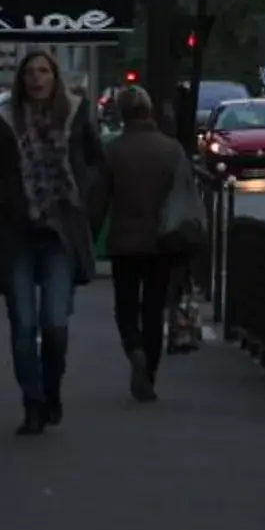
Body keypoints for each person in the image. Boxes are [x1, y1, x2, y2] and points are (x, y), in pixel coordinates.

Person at [0, 48, 104, 434]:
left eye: (44, 72)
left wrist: (85, 202)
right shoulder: (3, 119)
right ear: (21, 79)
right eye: (31, 72)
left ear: (55, 77)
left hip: (60, 232)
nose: (37, 79)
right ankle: (32, 402)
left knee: (55, 322)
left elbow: (97, 163)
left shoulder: (76, 114)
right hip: (17, 234)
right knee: (24, 324)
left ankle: (51, 389)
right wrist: (3, 199)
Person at [94, 86, 188, 401]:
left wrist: (88, 237)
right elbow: (185, 198)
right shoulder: (171, 149)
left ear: (121, 114)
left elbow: (99, 201)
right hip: (162, 241)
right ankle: (149, 371)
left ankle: (133, 348)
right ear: (150, 111)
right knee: (153, 308)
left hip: (124, 241)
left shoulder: (113, 150)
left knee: (125, 305)